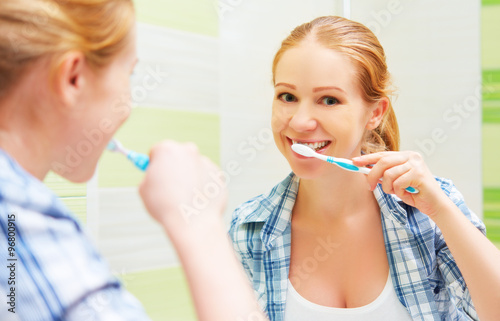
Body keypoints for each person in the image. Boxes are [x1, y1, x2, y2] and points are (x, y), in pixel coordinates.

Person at [0, 1, 267, 320]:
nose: (127, 102)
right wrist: (199, 220)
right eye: (130, 73)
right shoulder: (25, 226)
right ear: (73, 78)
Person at [229, 16, 500, 321]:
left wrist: (441, 211)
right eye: (287, 97)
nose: (301, 121)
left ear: (375, 113)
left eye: (329, 100)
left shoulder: (430, 212)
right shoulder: (247, 230)